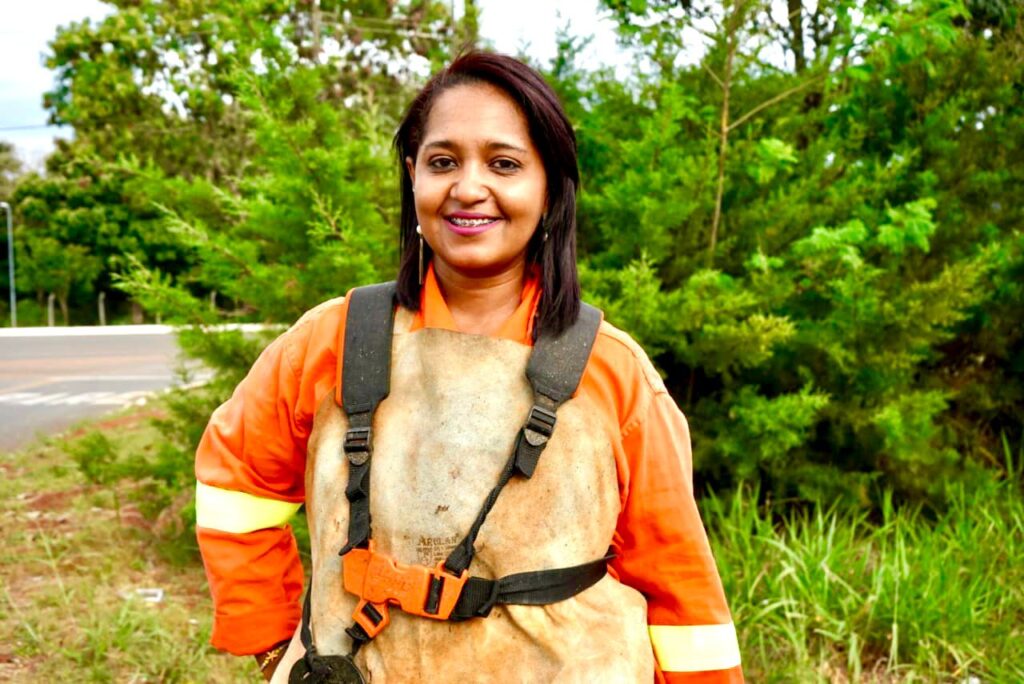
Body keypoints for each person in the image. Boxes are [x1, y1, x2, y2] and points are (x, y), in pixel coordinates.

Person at [195, 51, 743, 683]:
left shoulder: (611, 370)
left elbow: (678, 578)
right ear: (412, 175)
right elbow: (235, 486)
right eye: (443, 161)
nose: (468, 187)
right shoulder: (333, 340)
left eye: (504, 164)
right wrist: (271, 645)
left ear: (549, 187)